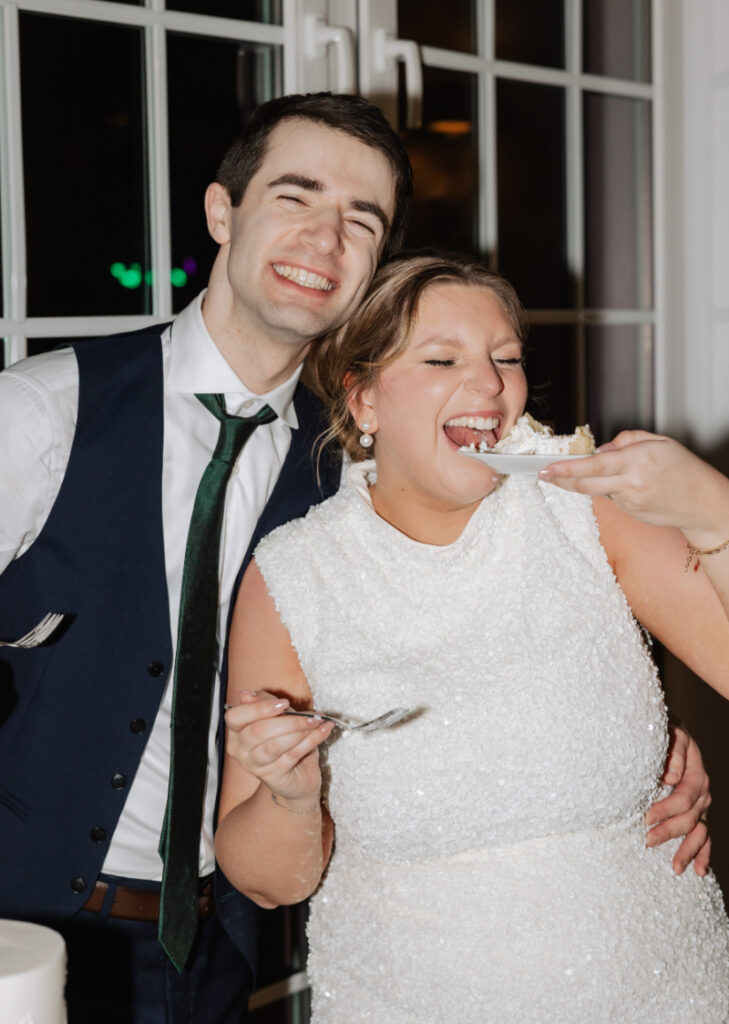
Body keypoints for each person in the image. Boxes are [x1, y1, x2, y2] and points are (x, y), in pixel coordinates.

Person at [216, 251, 729, 1022]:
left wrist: (713, 511)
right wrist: (291, 795)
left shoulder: (586, 511)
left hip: (657, 994)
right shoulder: (294, 576)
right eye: (441, 358)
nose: (489, 384)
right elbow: (270, 883)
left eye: (506, 358)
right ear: (364, 400)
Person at [0, 92, 410, 1023]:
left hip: (216, 955)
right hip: (18, 934)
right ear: (222, 212)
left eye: (361, 221)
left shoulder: (351, 475)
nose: (325, 239)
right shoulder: (42, 411)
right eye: (296, 197)